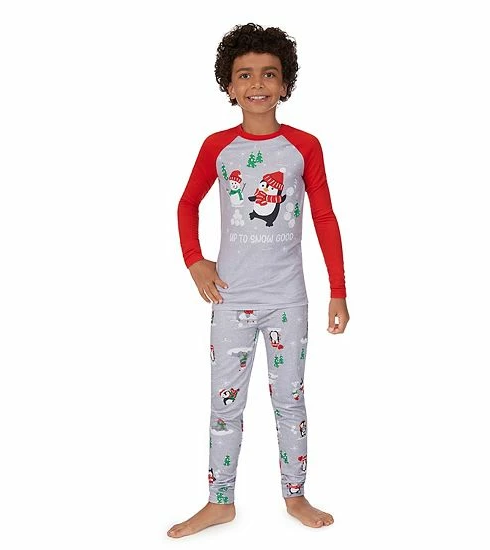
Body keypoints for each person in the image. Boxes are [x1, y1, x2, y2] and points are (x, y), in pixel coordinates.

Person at [168, 22, 350, 538]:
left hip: (288, 298)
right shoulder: (217, 147)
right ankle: (219, 501)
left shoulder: (304, 146)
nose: (257, 84)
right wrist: (195, 260)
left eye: (269, 74)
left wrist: (338, 290)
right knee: (224, 406)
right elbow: (186, 203)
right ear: (229, 86)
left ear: (285, 83)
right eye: (244, 74)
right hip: (230, 299)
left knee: (290, 402)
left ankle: (295, 495)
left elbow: (324, 218)